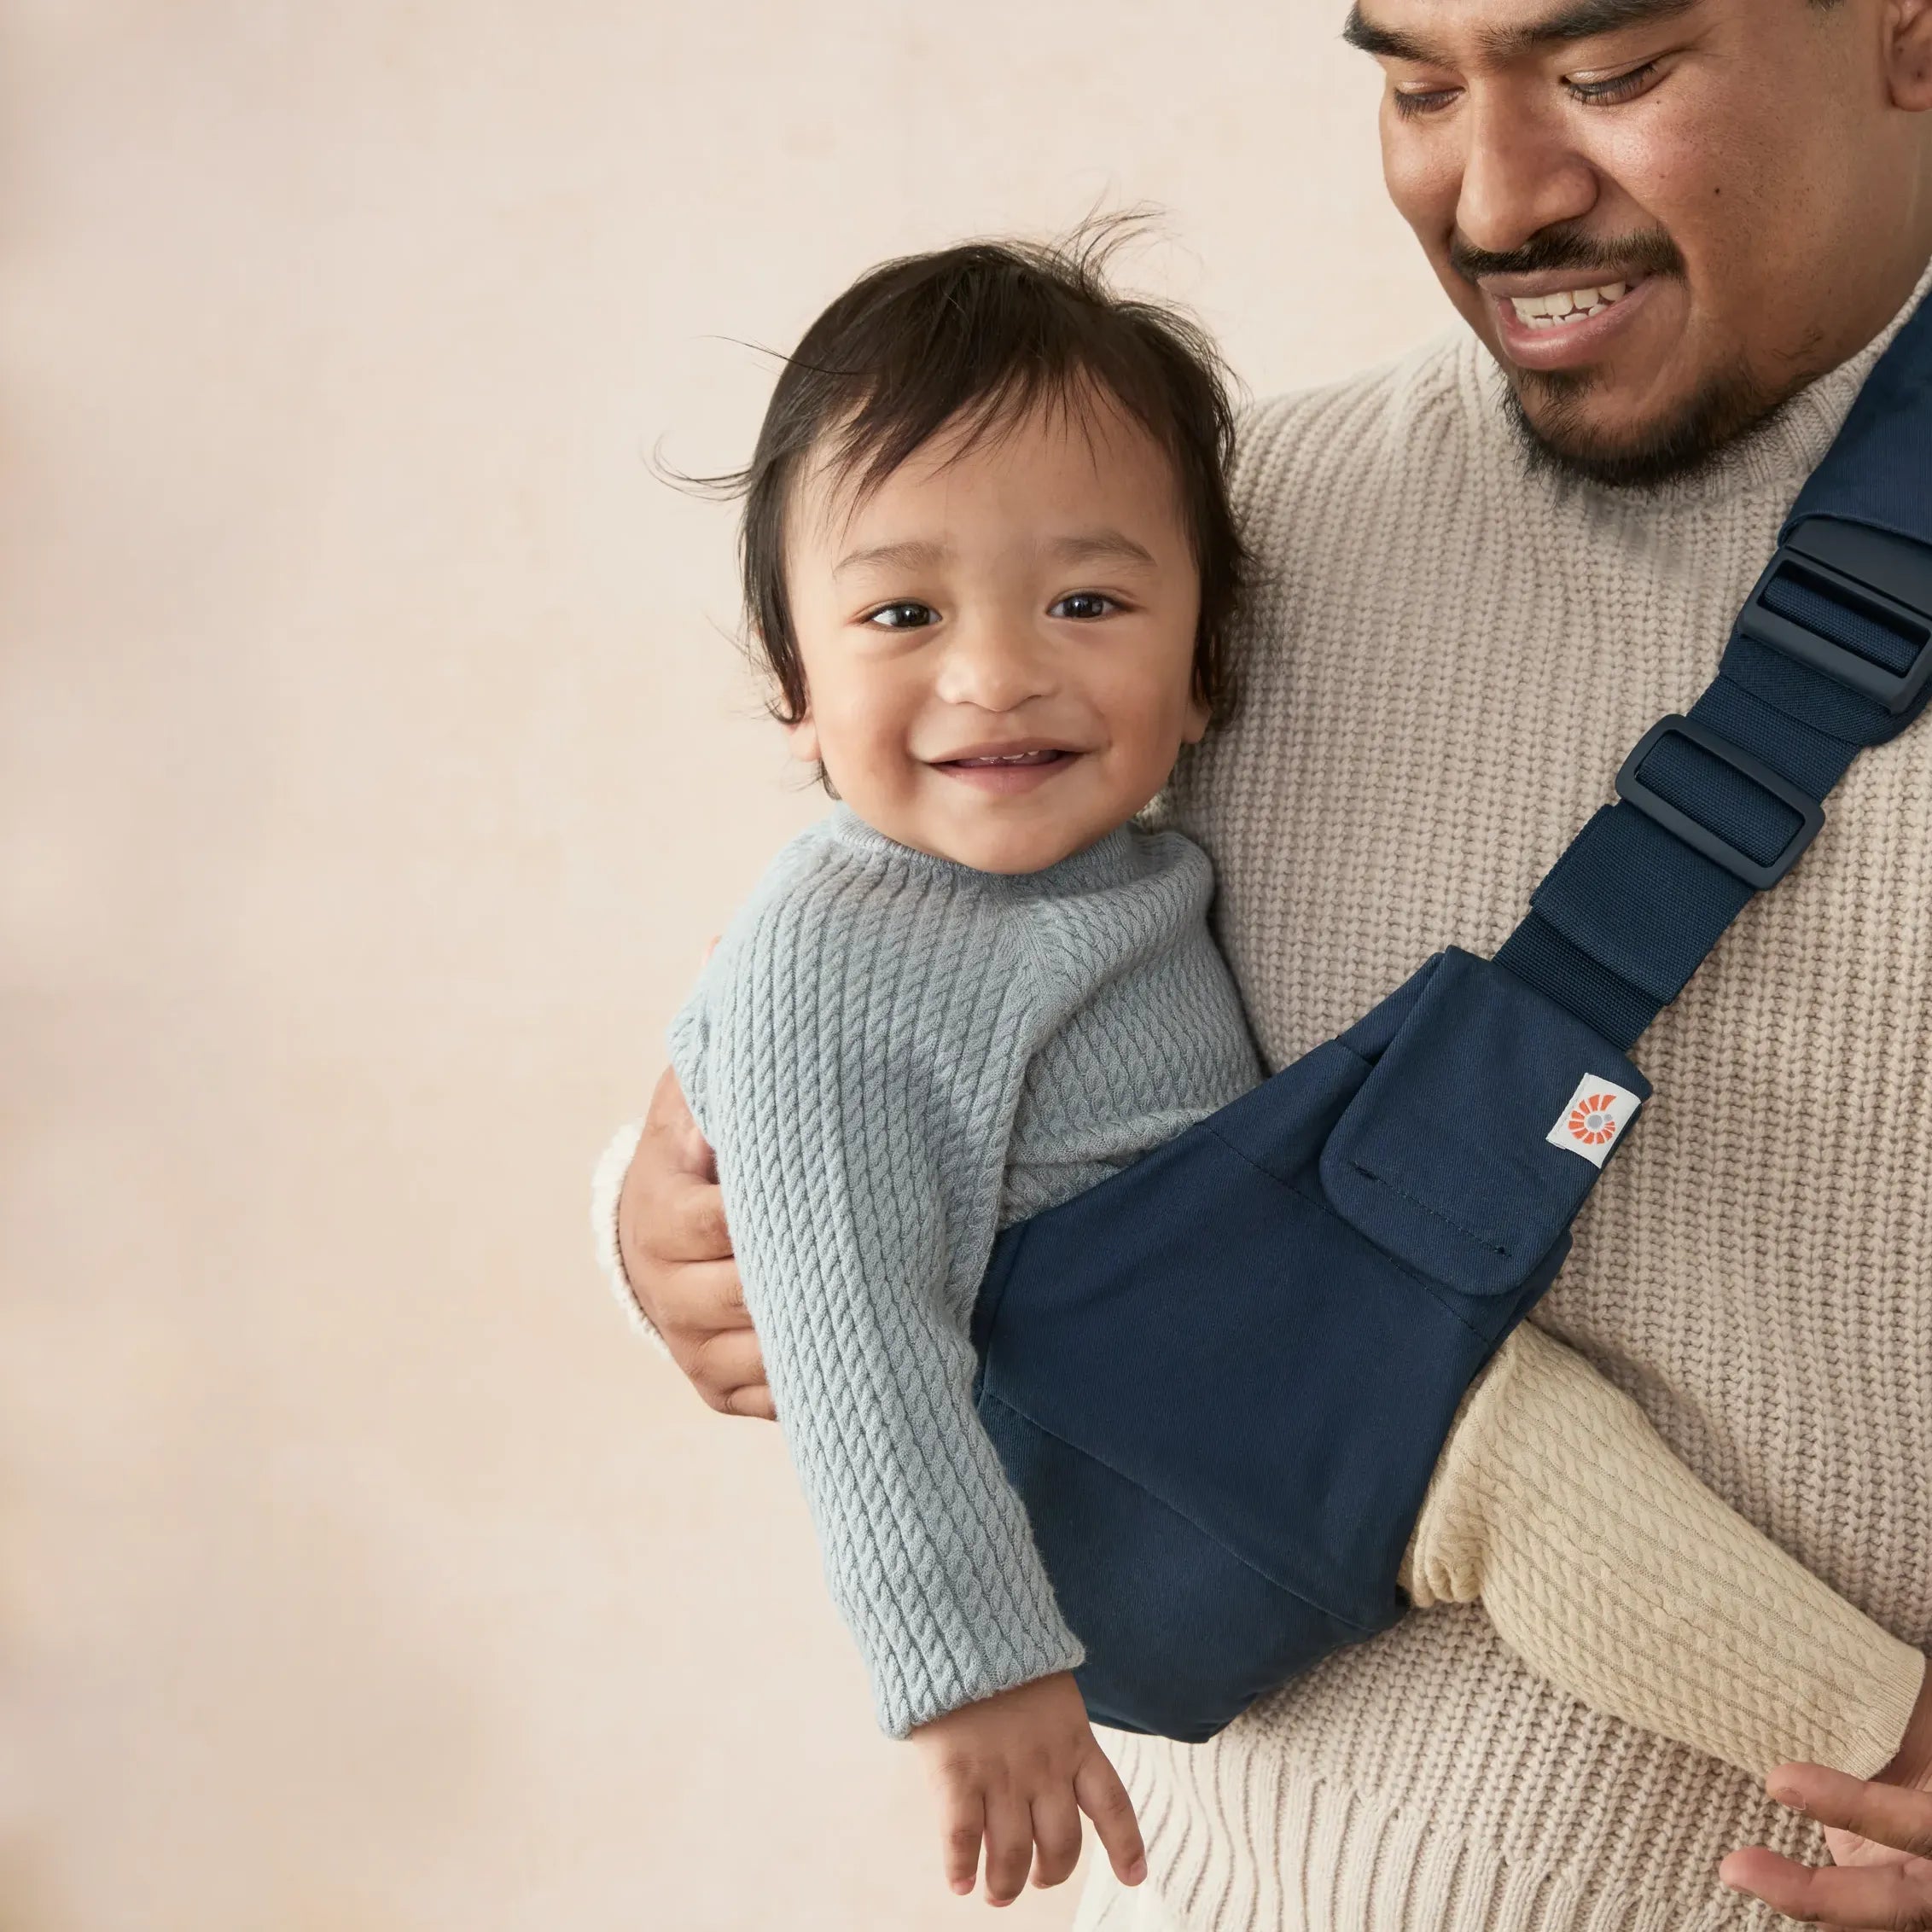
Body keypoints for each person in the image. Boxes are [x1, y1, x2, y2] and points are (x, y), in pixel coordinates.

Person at [603, 1, 1932, 1925]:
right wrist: (657, 1216)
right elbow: (876, 1002)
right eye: (1415, 86)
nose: (1495, 198)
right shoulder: (1221, 518)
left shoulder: (1151, 558)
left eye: (1609, 73)